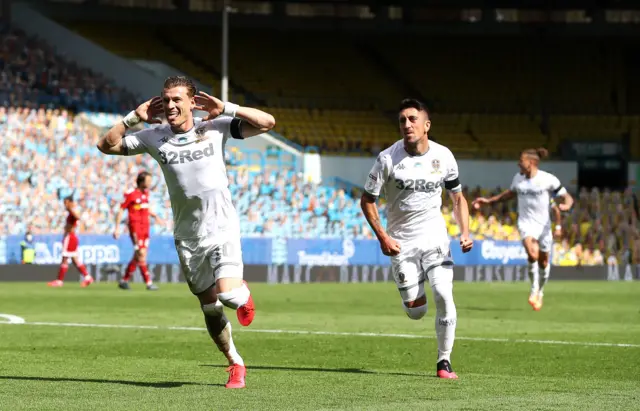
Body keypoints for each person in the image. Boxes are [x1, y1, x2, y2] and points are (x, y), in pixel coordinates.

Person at [97, 76, 275, 389]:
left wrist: (227, 108)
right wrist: (133, 118)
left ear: (193, 102)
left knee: (229, 295)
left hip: (221, 227)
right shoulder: (154, 136)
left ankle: (241, 293)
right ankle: (235, 362)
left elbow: (267, 122)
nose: (171, 106)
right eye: (166, 100)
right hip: (188, 237)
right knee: (210, 308)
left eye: (177, 99)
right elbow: (106, 145)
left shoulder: (215, 127)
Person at [360, 98, 473, 379]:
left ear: (427, 125)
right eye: (402, 120)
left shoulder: (444, 156)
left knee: (444, 294)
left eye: (412, 119)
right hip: (401, 242)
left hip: (434, 236)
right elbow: (367, 201)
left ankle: (444, 361)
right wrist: (383, 237)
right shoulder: (388, 159)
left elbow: (457, 198)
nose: (407, 125)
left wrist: (465, 232)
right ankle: (415, 283)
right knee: (416, 312)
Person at [472, 148, 574, 311]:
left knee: (544, 261)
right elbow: (508, 195)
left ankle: (539, 291)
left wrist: (567, 204)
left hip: (544, 225)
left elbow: (566, 196)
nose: (518, 164)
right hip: (526, 223)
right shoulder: (518, 179)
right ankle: (533, 289)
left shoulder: (548, 179)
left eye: (522, 161)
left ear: (532, 163)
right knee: (532, 253)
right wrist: (488, 201)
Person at [113, 171, 160, 291]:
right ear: (141, 181)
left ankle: (124, 280)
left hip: (146, 228)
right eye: (148, 181)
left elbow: (144, 208)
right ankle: (148, 282)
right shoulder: (131, 194)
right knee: (141, 254)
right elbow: (121, 209)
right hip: (135, 229)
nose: (150, 183)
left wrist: (155, 216)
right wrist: (117, 227)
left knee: (138, 255)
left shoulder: (146, 194)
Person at [47, 196, 94, 287]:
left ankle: (59, 281)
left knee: (64, 259)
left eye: (66, 203)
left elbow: (77, 217)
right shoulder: (70, 213)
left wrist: (70, 209)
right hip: (71, 237)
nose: (65, 205)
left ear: (71, 203)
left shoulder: (72, 212)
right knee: (75, 260)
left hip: (70, 237)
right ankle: (88, 277)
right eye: (64, 203)